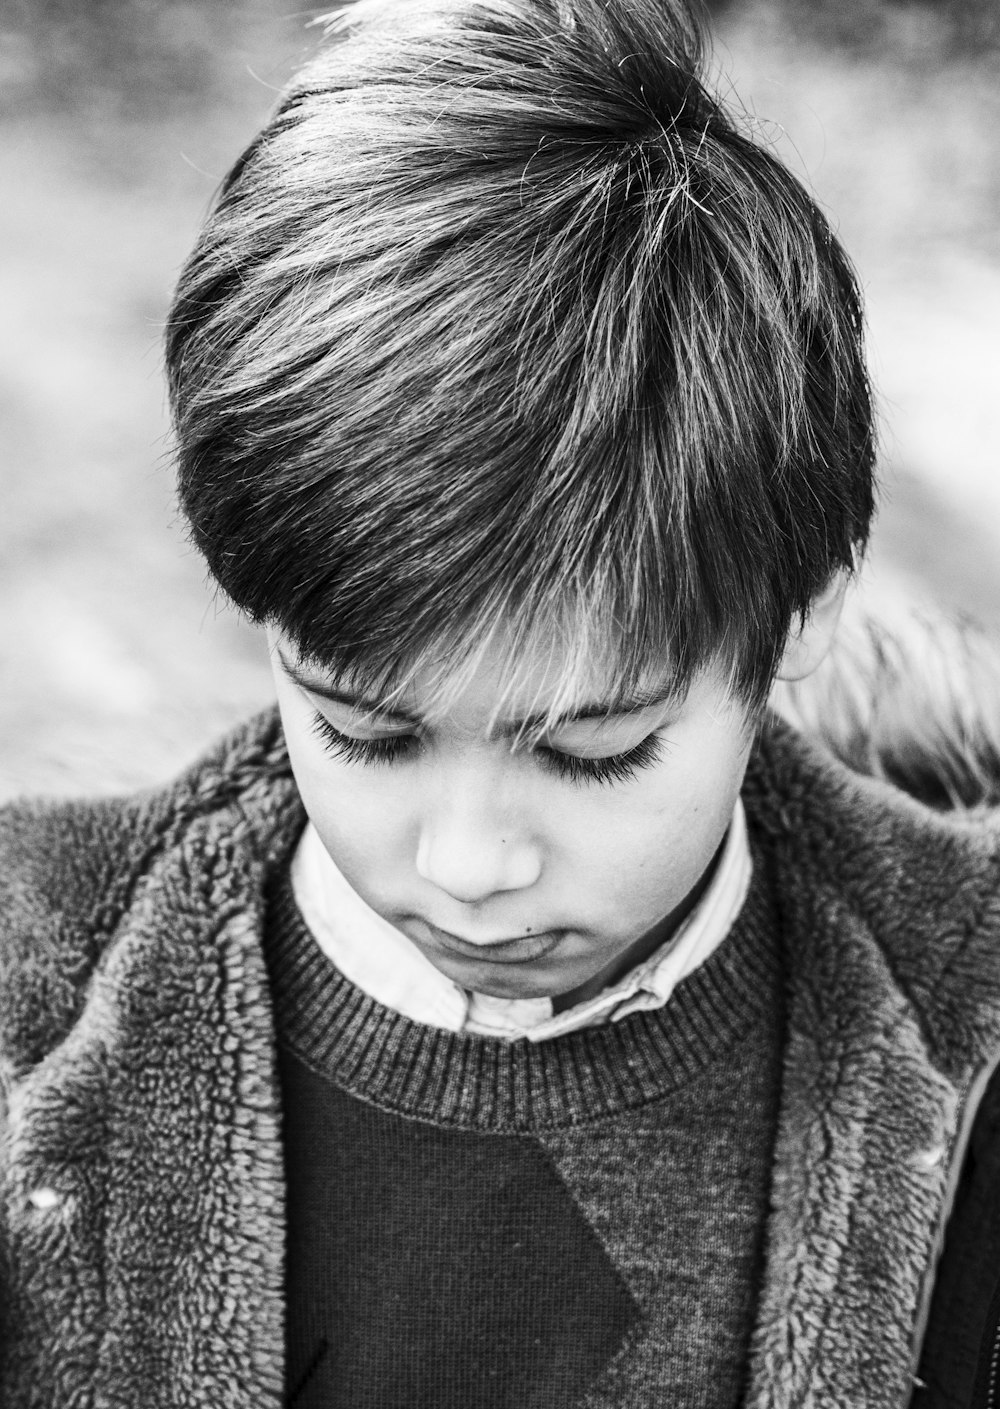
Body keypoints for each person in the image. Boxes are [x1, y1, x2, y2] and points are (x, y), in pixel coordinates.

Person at [2, 0, 999, 1405]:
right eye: (366, 729)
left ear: (805, 611)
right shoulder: (32, 1008)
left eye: (595, 751)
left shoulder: (971, 1038)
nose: (470, 865)